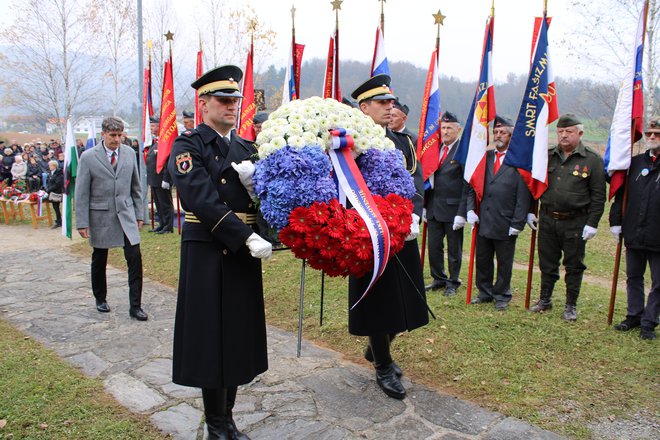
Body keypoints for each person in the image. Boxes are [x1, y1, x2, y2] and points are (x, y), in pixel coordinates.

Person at [168, 65, 272, 440]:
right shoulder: (188, 145)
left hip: (245, 252)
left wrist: (259, 191)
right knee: (211, 336)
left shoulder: (247, 147)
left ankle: (227, 417)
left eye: (235, 100)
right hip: (209, 250)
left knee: (237, 335)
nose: (232, 107)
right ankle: (216, 424)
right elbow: (200, 197)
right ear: (205, 103)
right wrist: (242, 235)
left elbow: (268, 201)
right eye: (224, 100)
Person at [349, 74, 429, 400]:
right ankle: (382, 363)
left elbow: (416, 184)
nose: (389, 107)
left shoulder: (401, 142)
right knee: (376, 302)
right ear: (364, 107)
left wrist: (414, 214)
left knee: (407, 297)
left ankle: (377, 346)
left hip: (401, 232)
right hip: (367, 234)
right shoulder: (349, 142)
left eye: (391, 102)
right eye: (382, 102)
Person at [528, 114, 606, 321]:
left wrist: (592, 224)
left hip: (575, 221)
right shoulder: (548, 155)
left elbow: (598, 196)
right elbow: (534, 184)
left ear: (579, 133)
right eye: (560, 131)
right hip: (547, 218)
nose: (563, 135)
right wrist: (530, 211)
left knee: (573, 265)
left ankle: (571, 305)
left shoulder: (592, 160)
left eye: (569, 132)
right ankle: (545, 299)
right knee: (547, 263)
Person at [75, 116, 147, 321]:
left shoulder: (129, 154)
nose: (116, 139)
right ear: (103, 134)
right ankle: (100, 298)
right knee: (100, 258)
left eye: (119, 135)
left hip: (126, 214)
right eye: (112, 135)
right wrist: (82, 222)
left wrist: (139, 214)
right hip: (101, 215)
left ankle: (136, 306)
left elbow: (136, 187)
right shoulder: (89, 157)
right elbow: (81, 192)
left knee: (134, 258)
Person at [466, 116, 532, 310]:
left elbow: (523, 196)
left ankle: (502, 294)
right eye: (496, 132)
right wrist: (470, 209)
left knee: (504, 262)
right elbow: (473, 186)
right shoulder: (485, 158)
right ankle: (484, 292)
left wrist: (517, 222)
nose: (499, 135)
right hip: (484, 218)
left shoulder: (518, 161)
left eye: (503, 132)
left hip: (505, 220)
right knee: (483, 258)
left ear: (511, 136)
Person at [610, 120, 660, 340]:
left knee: (658, 282)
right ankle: (634, 315)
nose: (651, 137)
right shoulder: (635, 164)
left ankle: (649, 322)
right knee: (633, 277)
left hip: (657, 234)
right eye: (648, 133)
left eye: (656, 133)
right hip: (634, 231)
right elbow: (621, 195)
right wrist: (616, 221)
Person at [424, 112, 468, 296]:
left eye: (449, 128)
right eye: (443, 127)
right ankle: (438, 278)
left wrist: (462, 212)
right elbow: (427, 176)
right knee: (434, 247)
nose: (446, 131)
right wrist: (425, 205)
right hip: (434, 207)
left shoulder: (462, 151)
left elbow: (467, 184)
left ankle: (453, 281)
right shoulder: (434, 149)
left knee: (454, 249)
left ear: (458, 130)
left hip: (453, 209)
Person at [146, 115, 174, 234]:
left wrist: (167, 179)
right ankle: (162, 224)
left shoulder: (165, 141)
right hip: (154, 178)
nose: (151, 128)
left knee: (165, 203)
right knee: (158, 203)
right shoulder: (155, 141)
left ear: (159, 126)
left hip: (162, 177)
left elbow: (168, 160)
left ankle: (168, 226)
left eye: (153, 125)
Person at [46, 159, 63, 229]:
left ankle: (59, 221)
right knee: (55, 207)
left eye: (50, 165)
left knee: (56, 207)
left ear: (54, 166)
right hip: (51, 191)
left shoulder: (59, 173)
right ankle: (59, 220)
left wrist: (49, 189)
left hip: (57, 192)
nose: (49, 166)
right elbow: (48, 181)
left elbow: (57, 184)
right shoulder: (50, 172)